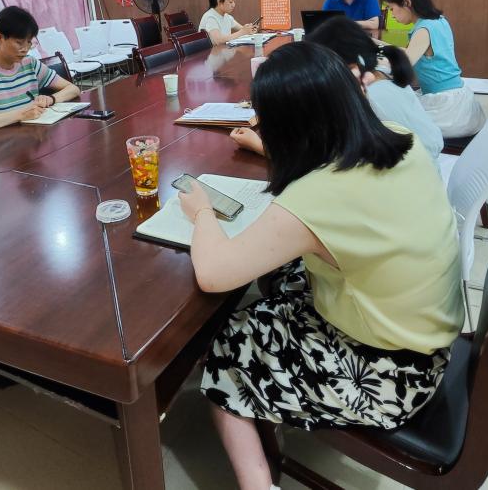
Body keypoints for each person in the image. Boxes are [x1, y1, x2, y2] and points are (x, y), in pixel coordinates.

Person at [179, 43, 463, 490]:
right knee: (284, 275)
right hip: (427, 341)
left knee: (228, 343)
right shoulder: (395, 139)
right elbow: (326, 175)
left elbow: (214, 273)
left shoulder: (319, 195)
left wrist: (201, 211)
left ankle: (258, 484)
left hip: (389, 377)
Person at [231, 17, 443, 163]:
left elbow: (319, 158)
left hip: (406, 185)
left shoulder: (364, 96)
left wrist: (259, 145)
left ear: (344, 66)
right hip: (425, 172)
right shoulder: (381, 72)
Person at [381, 0, 485, 138]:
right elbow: (411, 52)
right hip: (458, 99)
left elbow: (402, 66)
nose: (392, 15)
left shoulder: (423, 30)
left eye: (392, 8)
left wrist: (376, 63)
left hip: (448, 110)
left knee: (389, 119)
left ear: (406, 2)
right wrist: (378, 45)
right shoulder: (438, 21)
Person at [0, 6, 81, 135]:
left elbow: (73, 89)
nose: (25, 49)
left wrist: (51, 99)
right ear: (0, 38)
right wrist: (20, 114)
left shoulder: (30, 64)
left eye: (29, 42)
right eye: (19, 42)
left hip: (30, 138)